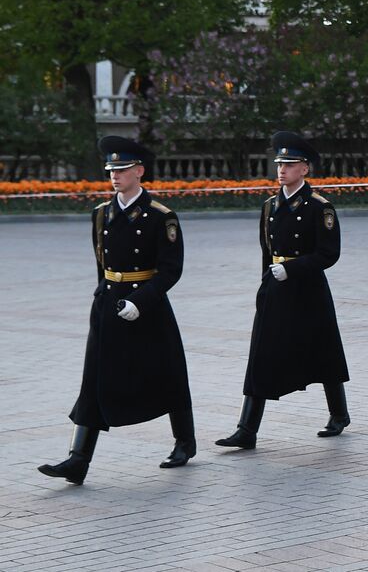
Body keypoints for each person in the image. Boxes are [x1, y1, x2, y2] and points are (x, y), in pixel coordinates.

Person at [38, 137, 195, 484]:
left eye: (122, 170)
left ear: (140, 172)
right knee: (93, 379)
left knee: (166, 372)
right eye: (111, 170)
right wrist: (103, 297)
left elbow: (171, 269)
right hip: (109, 304)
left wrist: (141, 301)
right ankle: (77, 460)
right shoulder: (101, 214)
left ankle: (185, 440)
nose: (115, 175)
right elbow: (102, 262)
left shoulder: (160, 216)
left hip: (147, 304)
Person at [215, 131, 350, 452]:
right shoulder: (270, 206)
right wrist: (267, 284)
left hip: (308, 290)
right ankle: (247, 429)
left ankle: (339, 414)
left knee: (323, 353)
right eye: (279, 164)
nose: (282, 170)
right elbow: (268, 250)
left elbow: (329, 254)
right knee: (261, 355)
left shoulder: (320, 207)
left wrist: (292, 268)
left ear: (305, 169)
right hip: (276, 289)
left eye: (289, 164)